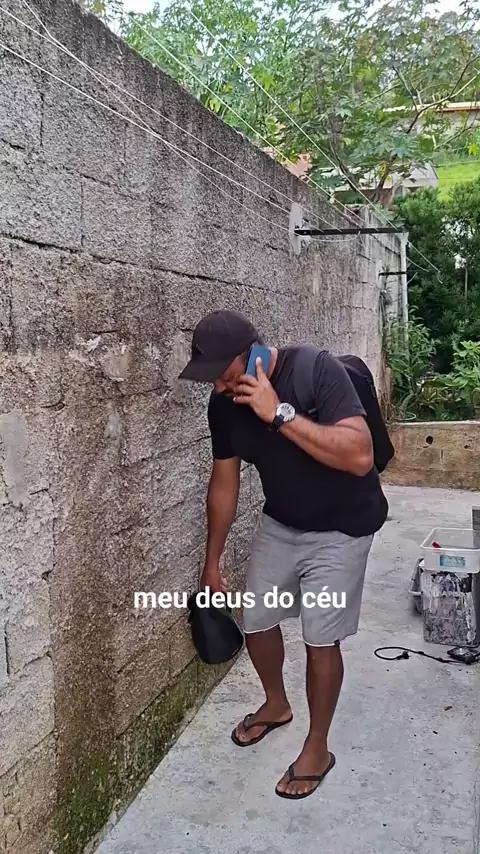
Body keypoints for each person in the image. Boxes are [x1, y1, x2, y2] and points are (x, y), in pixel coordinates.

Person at [179, 309, 388, 800]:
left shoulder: (316, 369)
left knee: (320, 637)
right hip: (282, 521)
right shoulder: (224, 405)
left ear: (252, 354)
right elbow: (224, 483)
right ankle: (276, 704)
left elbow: (359, 455)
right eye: (210, 379)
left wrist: (279, 413)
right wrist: (212, 561)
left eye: (223, 374)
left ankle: (317, 746)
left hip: (343, 527)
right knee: (256, 620)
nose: (218, 387)